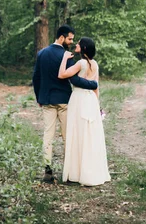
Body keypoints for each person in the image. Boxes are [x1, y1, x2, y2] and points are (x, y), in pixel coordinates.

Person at [32, 25, 99, 183]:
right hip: (64, 101)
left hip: (47, 100)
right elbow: (73, 79)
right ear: (61, 37)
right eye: (69, 39)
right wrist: (93, 85)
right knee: (67, 136)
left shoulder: (41, 54)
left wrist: (39, 98)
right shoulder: (67, 56)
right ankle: (69, 171)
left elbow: (36, 77)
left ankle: (47, 171)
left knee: (47, 136)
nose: (71, 42)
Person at [58, 37, 110, 186]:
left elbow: (62, 74)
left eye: (79, 44)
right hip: (91, 100)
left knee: (78, 133)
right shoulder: (95, 64)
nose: (77, 45)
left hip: (79, 98)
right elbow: (96, 87)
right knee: (90, 135)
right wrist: (98, 105)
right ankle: (91, 170)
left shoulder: (80, 63)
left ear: (84, 48)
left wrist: (64, 58)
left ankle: (76, 172)